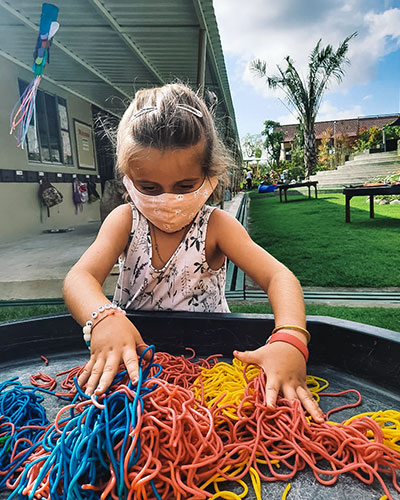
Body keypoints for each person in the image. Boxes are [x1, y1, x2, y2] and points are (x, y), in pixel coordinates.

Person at [63, 83, 324, 423]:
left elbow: (279, 277)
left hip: (209, 367)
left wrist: (290, 340)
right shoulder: (124, 221)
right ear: (128, 180)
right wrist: (103, 318)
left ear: (210, 176)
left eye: (185, 186)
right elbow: (79, 278)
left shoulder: (217, 227)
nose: (167, 199)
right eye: (149, 188)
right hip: (136, 363)